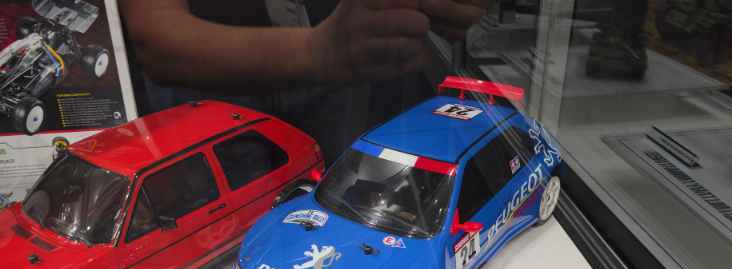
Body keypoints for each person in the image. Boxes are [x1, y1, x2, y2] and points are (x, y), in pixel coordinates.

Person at [120, 0, 489, 163]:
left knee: (341, 211)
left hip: (341, 64)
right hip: (207, 84)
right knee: (216, 247)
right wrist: (320, 52)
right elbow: (155, 39)